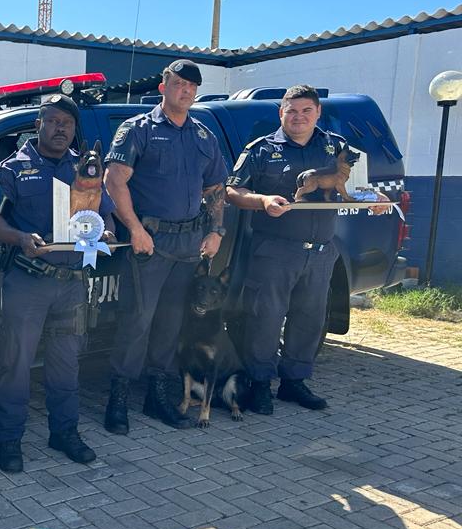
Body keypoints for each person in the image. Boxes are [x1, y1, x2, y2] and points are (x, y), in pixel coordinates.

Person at [226, 84, 390, 414]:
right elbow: (233, 190)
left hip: (321, 251)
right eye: (292, 111)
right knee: (265, 319)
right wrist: (262, 200)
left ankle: (293, 382)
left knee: (310, 319)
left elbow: (353, 188)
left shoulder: (337, 146)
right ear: (280, 113)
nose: (298, 117)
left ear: (317, 113)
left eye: (306, 111)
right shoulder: (261, 149)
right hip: (274, 250)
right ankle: (259, 383)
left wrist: (374, 198)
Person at [0, 94, 111, 472]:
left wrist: (111, 228)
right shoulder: (14, 169)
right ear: (38, 125)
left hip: (71, 283)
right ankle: (9, 440)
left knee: (66, 363)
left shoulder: (85, 167)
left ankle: (64, 432)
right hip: (28, 284)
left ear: (74, 130)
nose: (60, 129)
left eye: (67, 124)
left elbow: (103, 211)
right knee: (16, 364)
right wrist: (19, 237)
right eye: (52, 122)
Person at [103, 59, 228, 431]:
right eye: (178, 83)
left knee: (171, 322)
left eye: (192, 85)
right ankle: (118, 399)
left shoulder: (203, 135)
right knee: (136, 322)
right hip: (149, 242)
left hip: (190, 243)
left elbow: (216, 187)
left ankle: (157, 397)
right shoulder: (137, 129)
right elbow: (114, 182)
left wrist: (216, 230)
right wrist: (134, 229)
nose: (185, 90)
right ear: (163, 86)